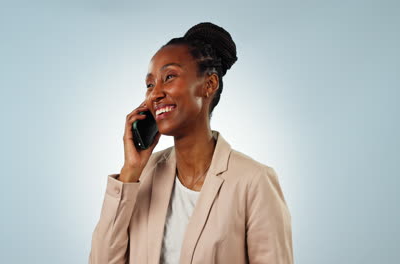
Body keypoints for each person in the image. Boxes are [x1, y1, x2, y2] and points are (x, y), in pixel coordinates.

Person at [89, 22, 293, 264]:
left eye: (169, 77)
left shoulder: (254, 181)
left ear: (209, 84)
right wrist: (129, 173)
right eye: (150, 85)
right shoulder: (141, 177)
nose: (155, 94)